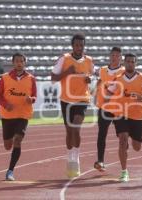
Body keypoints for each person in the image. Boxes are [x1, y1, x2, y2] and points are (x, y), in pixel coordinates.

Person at [106, 53, 142, 182]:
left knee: (137, 147)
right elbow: (108, 92)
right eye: (128, 61)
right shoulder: (117, 78)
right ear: (124, 63)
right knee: (122, 139)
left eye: (132, 62)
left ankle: (131, 138)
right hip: (121, 114)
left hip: (138, 116)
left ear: (136, 63)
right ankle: (124, 171)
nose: (130, 64)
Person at [51, 33, 94, 179]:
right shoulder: (64, 59)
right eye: (76, 45)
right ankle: (69, 156)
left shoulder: (89, 60)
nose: (79, 48)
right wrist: (67, 72)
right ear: (72, 46)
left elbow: (91, 75)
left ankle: (76, 157)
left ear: (84, 46)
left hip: (82, 99)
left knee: (76, 127)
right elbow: (53, 78)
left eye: (81, 45)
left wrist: (90, 79)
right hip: (66, 100)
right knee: (69, 131)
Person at [0, 53, 37, 181]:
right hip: (7, 115)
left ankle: (10, 171)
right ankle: (11, 140)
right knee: (8, 145)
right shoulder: (5, 78)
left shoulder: (31, 78)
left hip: (23, 115)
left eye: (21, 61)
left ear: (25, 63)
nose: (19, 63)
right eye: (17, 61)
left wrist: (31, 99)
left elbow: (34, 96)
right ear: (13, 63)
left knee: (18, 140)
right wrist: (5, 104)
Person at [93, 47, 125, 172]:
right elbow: (99, 82)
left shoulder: (123, 71)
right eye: (113, 55)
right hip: (104, 107)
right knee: (102, 134)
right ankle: (100, 161)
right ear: (109, 56)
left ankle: (123, 159)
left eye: (117, 55)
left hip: (119, 108)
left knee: (122, 136)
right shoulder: (102, 71)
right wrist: (95, 95)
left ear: (121, 58)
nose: (114, 57)